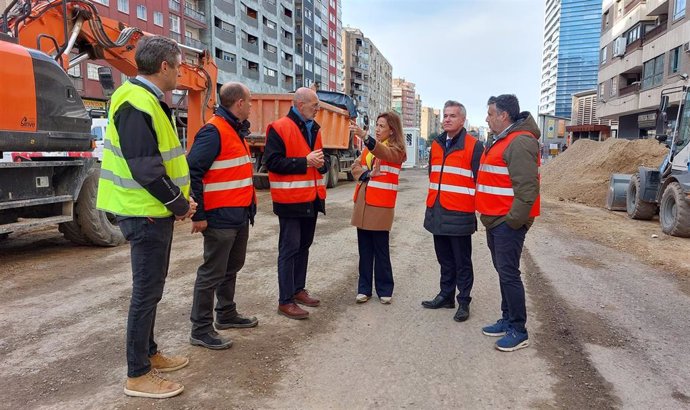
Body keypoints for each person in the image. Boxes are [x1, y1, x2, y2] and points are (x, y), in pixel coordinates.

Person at [96, 36, 196, 399]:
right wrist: (180, 204)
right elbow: (146, 169)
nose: (182, 72)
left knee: (152, 290)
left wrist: (178, 202)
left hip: (152, 211)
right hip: (143, 212)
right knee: (146, 292)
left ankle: (150, 354)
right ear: (165, 67)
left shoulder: (145, 100)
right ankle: (137, 374)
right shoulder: (136, 102)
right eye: (179, 65)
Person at [186, 82, 258, 350]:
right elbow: (192, 171)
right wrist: (199, 214)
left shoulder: (233, 130)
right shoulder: (214, 131)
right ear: (239, 103)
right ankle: (200, 329)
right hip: (219, 217)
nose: (251, 106)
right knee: (212, 272)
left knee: (231, 267)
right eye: (249, 102)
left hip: (238, 214)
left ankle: (226, 314)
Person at [477, 94, 540, 352]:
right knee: (504, 273)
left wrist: (513, 222)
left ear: (504, 115)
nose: (487, 118)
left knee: (510, 275)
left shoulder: (520, 142)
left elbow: (527, 189)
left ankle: (519, 329)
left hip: (506, 222)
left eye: (491, 113)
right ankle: (507, 319)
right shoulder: (500, 140)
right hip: (495, 220)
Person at [263, 87, 329, 320]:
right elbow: (272, 162)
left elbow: (322, 160)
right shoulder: (279, 128)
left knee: (304, 246)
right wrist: (305, 161)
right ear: (300, 105)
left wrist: (322, 164)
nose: (318, 109)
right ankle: (285, 300)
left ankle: (298, 290)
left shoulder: (314, 128)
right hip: (290, 201)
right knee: (289, 249)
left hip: (310, 199)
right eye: (314, 105)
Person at [421, 101, 484, 322]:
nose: (447, 119)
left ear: (462, 120)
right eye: (445, 115)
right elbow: (433, 175)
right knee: (444, 259)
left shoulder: (474, 146)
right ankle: (446, 296)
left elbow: (480, 181)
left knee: (462, 261)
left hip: (459, 214)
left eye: (453, 116)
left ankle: (464, 301)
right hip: (438, 212)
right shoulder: (437, 145)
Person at [349, 112, 407, 304]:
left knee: (381, 250)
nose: (378, 129)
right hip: (363, 204)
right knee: (364, 250)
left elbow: (384, 153)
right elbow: (355, 167)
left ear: (392, 130)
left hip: (381, 205)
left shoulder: (396, 150)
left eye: (382, 126)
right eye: (377, 125)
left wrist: (366, 137)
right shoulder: (369, 149)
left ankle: (384, 288)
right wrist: (367, 174)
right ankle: (364, 289)